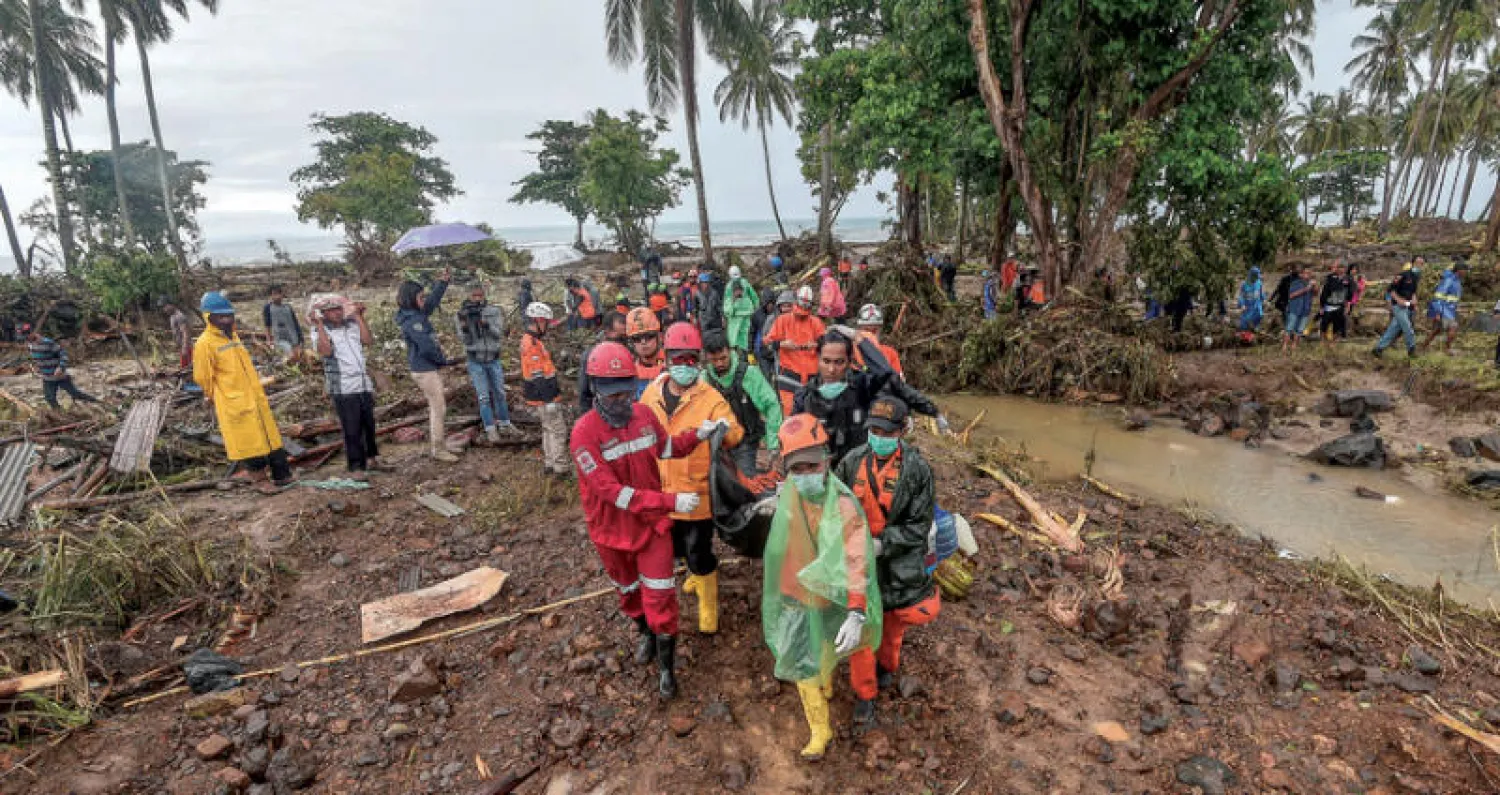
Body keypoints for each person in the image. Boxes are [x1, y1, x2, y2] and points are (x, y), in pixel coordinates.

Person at [571, 341, 709, 699]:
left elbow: (666, 448)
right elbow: (613, 493)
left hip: (652, 527)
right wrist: (671, 500)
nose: (621, 401)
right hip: (612, 532)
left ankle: (666, 669)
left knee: (661, 596)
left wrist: (698, 435)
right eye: (613, 394)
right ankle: (645, 633)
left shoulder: (644, 416)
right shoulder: (583, 434)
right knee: (628, 592)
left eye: (626, 392)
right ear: (596, 389)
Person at [762, 414, 879, 761]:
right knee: (806, 661)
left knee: (818, 652)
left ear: (827, 461)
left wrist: (856, 611)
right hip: (794, 594)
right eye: (797, 469)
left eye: (812, 466)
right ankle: (820, 721)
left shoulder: (843, 505)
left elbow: (856, 561)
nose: (805, 475)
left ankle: (822, 717)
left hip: (827, 596)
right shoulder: (790, 495)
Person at [834, 396, 939, 727]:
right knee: (861, 631)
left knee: (892, 627)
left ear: (902, 431)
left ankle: (887, 667)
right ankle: (865, 695)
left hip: (895, 563)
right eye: (874, 431)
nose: (878, 438)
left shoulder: (917, 470)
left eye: (887, 432)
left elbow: (919, 527)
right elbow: (834, 505)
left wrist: (884, 544)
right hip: (858, 560)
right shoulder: (852, 462)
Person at [640, 323, 742, 635]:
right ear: (667, 357)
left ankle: (708, 603)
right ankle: (695, 576)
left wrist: (725, 430)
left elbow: (735, 435)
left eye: (691, 359)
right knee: (673, 549)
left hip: (697, 495)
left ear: (698, 361)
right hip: (662, 493)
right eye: (678, 358)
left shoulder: (710, 397)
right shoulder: (651, 394)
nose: (685, 365)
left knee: (699, 551)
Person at [796, 328, 947, 463]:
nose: (831, 369)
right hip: (822, 469)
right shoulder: (806, 395)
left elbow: (886, 374)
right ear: (818, 359)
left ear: (849, 361)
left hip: (857, 467)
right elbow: (795, 438)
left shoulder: (861, 385)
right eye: (826, 361)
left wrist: (859, 339)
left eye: (839, 362)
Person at [193, 292, 292, 493]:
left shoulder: (234, 337)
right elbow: (203, 377)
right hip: (233, 401)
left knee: (270, 438)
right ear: (209, 317)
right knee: (249, 443)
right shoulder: (205, 343)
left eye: (229, 315)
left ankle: (282, 476)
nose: (226, 320)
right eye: (221, 316)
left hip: (255, 397)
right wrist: (216, 396)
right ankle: (260, 481)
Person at [309, 296, 389, 479]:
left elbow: (367, 341)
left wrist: (359, 316)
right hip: (343, 386)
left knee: (368, 424)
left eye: (338, 309)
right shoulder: (319, 331)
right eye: (331, 310)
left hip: (362, 382)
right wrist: (319, 324)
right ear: (324, 314)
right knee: (352, 427)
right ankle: (355, 467)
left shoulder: (351, 325)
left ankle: (372, 458)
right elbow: (326, 351)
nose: (336, 313)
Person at [395, 268, 461, 463]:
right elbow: (426, 347)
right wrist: (442, 361)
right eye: (420, 297)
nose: (424, 300)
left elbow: (432, 302)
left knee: (438, 407)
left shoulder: (415, 313)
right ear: (411, 299)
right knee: (438, 408)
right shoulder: (412, 321)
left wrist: (443, 283)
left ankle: (440, 445)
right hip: (424, 370)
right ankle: (438, 449)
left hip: (426, 368)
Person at [703, 331, 782, 475]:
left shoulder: (748, 373)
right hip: (716, 444)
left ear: (730, 350)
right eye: (714, 360)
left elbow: (771, 405)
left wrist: (773, 444)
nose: (719, 363)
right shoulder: (704, 380)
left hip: (746, 441)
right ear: (706, 357)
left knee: (744, 481)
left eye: (723, 358)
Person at [455, 284, 517, 443]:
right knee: (483, 397)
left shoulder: (493, 311)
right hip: (475, 360)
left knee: (500, 393)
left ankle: (505, 424)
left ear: (484, 295)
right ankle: (490, 428)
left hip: (493, 359)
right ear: (469, 296)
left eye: (480, 295)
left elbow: (498, 334)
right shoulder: (461, 314)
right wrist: (466, 328)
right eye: (474, 295)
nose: (477, 298)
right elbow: (466, 341)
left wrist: (486, 325)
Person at [520, 302, 571, 478]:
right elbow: (538, 376)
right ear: (539, 320)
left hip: (541, 395)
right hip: (544, 395)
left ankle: (550, 463)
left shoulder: (532, 340)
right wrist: (549, 400)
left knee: (548, 429)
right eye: (547, 322)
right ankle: (561, 467)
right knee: (558, 430)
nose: (548, 326)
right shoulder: (532, 344)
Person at [764, 287, 827, 415]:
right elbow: (767, 342)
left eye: (807, 303)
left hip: (811, 376)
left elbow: (827, 344)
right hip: (789, 374)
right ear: (796, 301)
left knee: (812, 413)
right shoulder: (783, 320)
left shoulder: (816, 322)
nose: (804, 305)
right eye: (802, 302)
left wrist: (815, 345)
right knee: (790, 413)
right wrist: (782, 344)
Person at [24, 325, 99, 409]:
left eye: (27, 336)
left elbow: (63, 355)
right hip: (47, 377)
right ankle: (59, 413)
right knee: (50, 399)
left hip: (60, 376)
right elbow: (38, 357)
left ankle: (97, 402)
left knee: (75, 394)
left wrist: (60, 367)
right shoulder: (30, 345)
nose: (26, 339)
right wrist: (37, 366)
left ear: (33, 333)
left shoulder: (47, 342)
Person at [578, 311, 629, 413]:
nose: (623, 340)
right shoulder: (591, 355)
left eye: (625, 336)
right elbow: (584, 391)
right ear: (607, 331)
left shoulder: (629, 352)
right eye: (620, 336)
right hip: (600, 410)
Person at [1373, 261, 1422, 359]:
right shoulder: (1401, 275)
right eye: (1418, 263)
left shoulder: (1416, 277)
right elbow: (1390, 290)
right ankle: (1411, 350)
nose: (1420, 265)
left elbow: (1413, 292)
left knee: (1393, 329)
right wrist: (1397, 301)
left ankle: (1378, 349)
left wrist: (1414, 301)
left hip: (1407, 306)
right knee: (1408, 328)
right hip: (1398, 306)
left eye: (1421, 264)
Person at [1420, 259, 1466, 354]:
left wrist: (1456, 307)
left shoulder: (1456, 280)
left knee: (1436, 330)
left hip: (1449, 310)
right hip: (1444, 310)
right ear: (1459, 270)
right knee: (1453, 327)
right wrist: (1437, 312)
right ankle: (1447, 349)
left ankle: (1423, 347)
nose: (1466, 272)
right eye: (1465, 270)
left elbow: (1453, 297)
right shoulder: (1449, 280)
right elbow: (1438, 297)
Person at [854, 304, 904, 380]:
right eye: (866, 330)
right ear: (858, 330)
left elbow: (899, 382)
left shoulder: (890, 353)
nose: (870, 335)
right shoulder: (848, 353)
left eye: (874, 331)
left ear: (880, 330)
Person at [625, 307, 666, 397]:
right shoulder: (628, 371)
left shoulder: (674, 366)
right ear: (632, 343)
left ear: (659, 337)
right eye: (637, 338)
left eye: (649, 336)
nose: (643, 342)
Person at [262, 285, 304, 360]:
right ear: (271, 296)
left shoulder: (288, 307)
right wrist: (269, 340)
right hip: (279, 339)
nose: (277, 296)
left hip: (293, 337)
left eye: (279, 294)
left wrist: (301, 339)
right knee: (290, 356)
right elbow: (267, 325)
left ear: (282, 294)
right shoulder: (268, 308)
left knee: (298, 358)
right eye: (274, 294)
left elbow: (295, 323)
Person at [724, 266, 759, 353]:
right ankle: (738, 354)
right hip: (736, 316)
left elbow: (753, 296)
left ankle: (746, 354)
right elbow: (727, 302)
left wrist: (756, 308)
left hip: (744, 315)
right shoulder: (730, 286)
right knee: (735, 339)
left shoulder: (744, 283)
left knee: (744, 338)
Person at [1318, 261, 1353, 345]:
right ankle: (1322, 341)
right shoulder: (1330, 278)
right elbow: (1324, 293)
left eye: (1343, 268)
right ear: (1337, 269)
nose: (1341, 270)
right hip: (1329, 305)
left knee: (1337, 325)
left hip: (1340, 306)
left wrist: (1348, 306)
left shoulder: (1348, 279)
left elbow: (1350, 294)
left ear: (1345, 269)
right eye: (1339, 268)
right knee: (1324, 324)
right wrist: (1322, 306)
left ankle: (1333, 343)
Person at [1282, 265, 1313, 353]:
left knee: (1299, 330)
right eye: (1306, 273)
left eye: (1310, 273)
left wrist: (1314, 287)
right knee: (1289, 328)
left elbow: (1315, 294)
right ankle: (1284, 346)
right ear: (1301, 274)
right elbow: (1291, 295)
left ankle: (1294, 346)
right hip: (1294, 309)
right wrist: (1305, 289)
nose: (1308, 275)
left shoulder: (1310, 284)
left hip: (1305, 309)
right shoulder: (1296, 283)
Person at [1236, 267, 1266, 342]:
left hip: (1257, 305)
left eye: (1257, 277)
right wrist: (1242, 304)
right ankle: (1245, 336)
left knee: (1259, 315)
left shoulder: (1259, 283)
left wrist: (1263, 299)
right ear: (1251, 276)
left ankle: (1253, 330)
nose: (1256, 279)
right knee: (1245, 321)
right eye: (1255, 277)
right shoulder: (1244, 284)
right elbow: (1241, 296)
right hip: (1247, 306)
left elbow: (1261, 293)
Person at [165, 301, 192, 370]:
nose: (165, 309)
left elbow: (185, 332)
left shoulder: (179, 316)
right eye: (163, 307)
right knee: (184, 367)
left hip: (186, 346)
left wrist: (185, 347)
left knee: (187, 368)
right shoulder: (172, 316)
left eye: (166, 306)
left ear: (172, 305)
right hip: (181, 345)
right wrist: (176, 344)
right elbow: (175, 332)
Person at [697, 271, 725, 338]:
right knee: (705, 338)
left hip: (714, 320)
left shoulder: (714, 293)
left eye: (706, 282)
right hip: (703, 321)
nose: (705, 285)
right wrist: (695, 318)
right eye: (703, 283)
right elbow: (695, 307)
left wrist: (723, 318)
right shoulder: (697, 294)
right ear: (699, 283)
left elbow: (719, 306)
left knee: (716, 337)